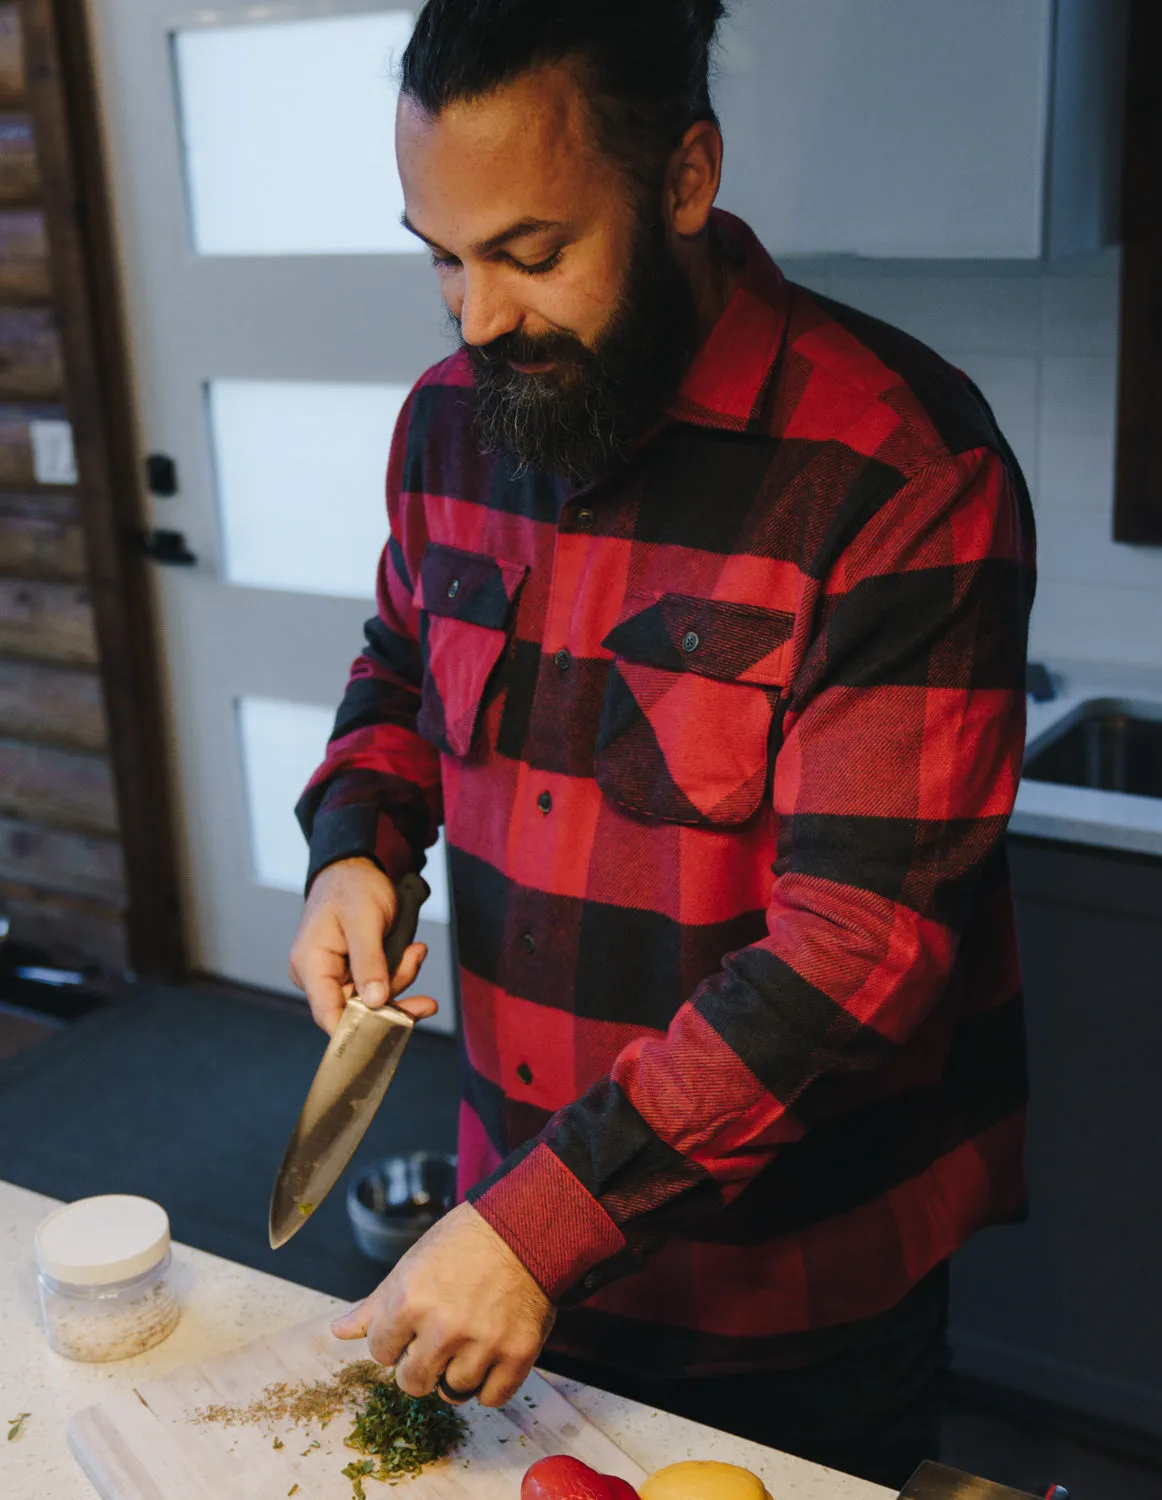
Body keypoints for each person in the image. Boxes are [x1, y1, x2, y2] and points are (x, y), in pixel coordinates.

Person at [289, 0, 1036, 1488]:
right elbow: (398, 670)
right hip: (511, 1225)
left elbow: (860, 950)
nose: (474, 316)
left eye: (531, 251)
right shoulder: (451, 424)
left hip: (790, 1294)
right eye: (441, 254)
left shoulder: (896, 464)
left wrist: (544, 1222)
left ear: (684, 179)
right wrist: (353, 851)